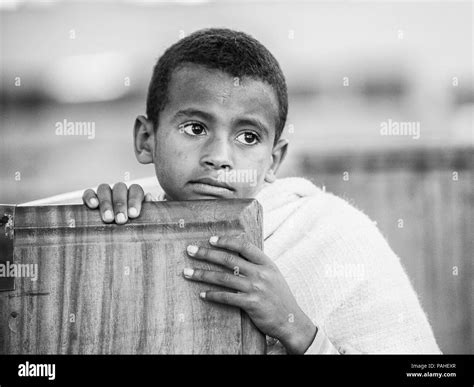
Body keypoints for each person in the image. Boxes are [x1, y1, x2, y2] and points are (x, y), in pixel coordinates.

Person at [82, 28, 441, 355]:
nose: (219, 158)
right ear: (146, 140)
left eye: (248, 137)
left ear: (273, 160)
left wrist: (297, 328)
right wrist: (99, 235)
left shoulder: (331, 235)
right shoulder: (127, 217)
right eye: (195, 128)